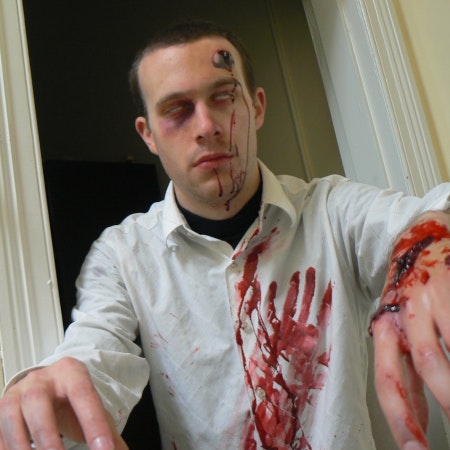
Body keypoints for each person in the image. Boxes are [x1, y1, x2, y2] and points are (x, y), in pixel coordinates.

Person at [1, 19, 450, 450]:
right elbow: (96, 353)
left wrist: (429, 241)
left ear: (257, 107)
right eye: (177, 110)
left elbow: (427, 214)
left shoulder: (333, 212)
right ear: (148, 135)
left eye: (223, 97)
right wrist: (48, 394)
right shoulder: (122, 254)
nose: (206, 127)